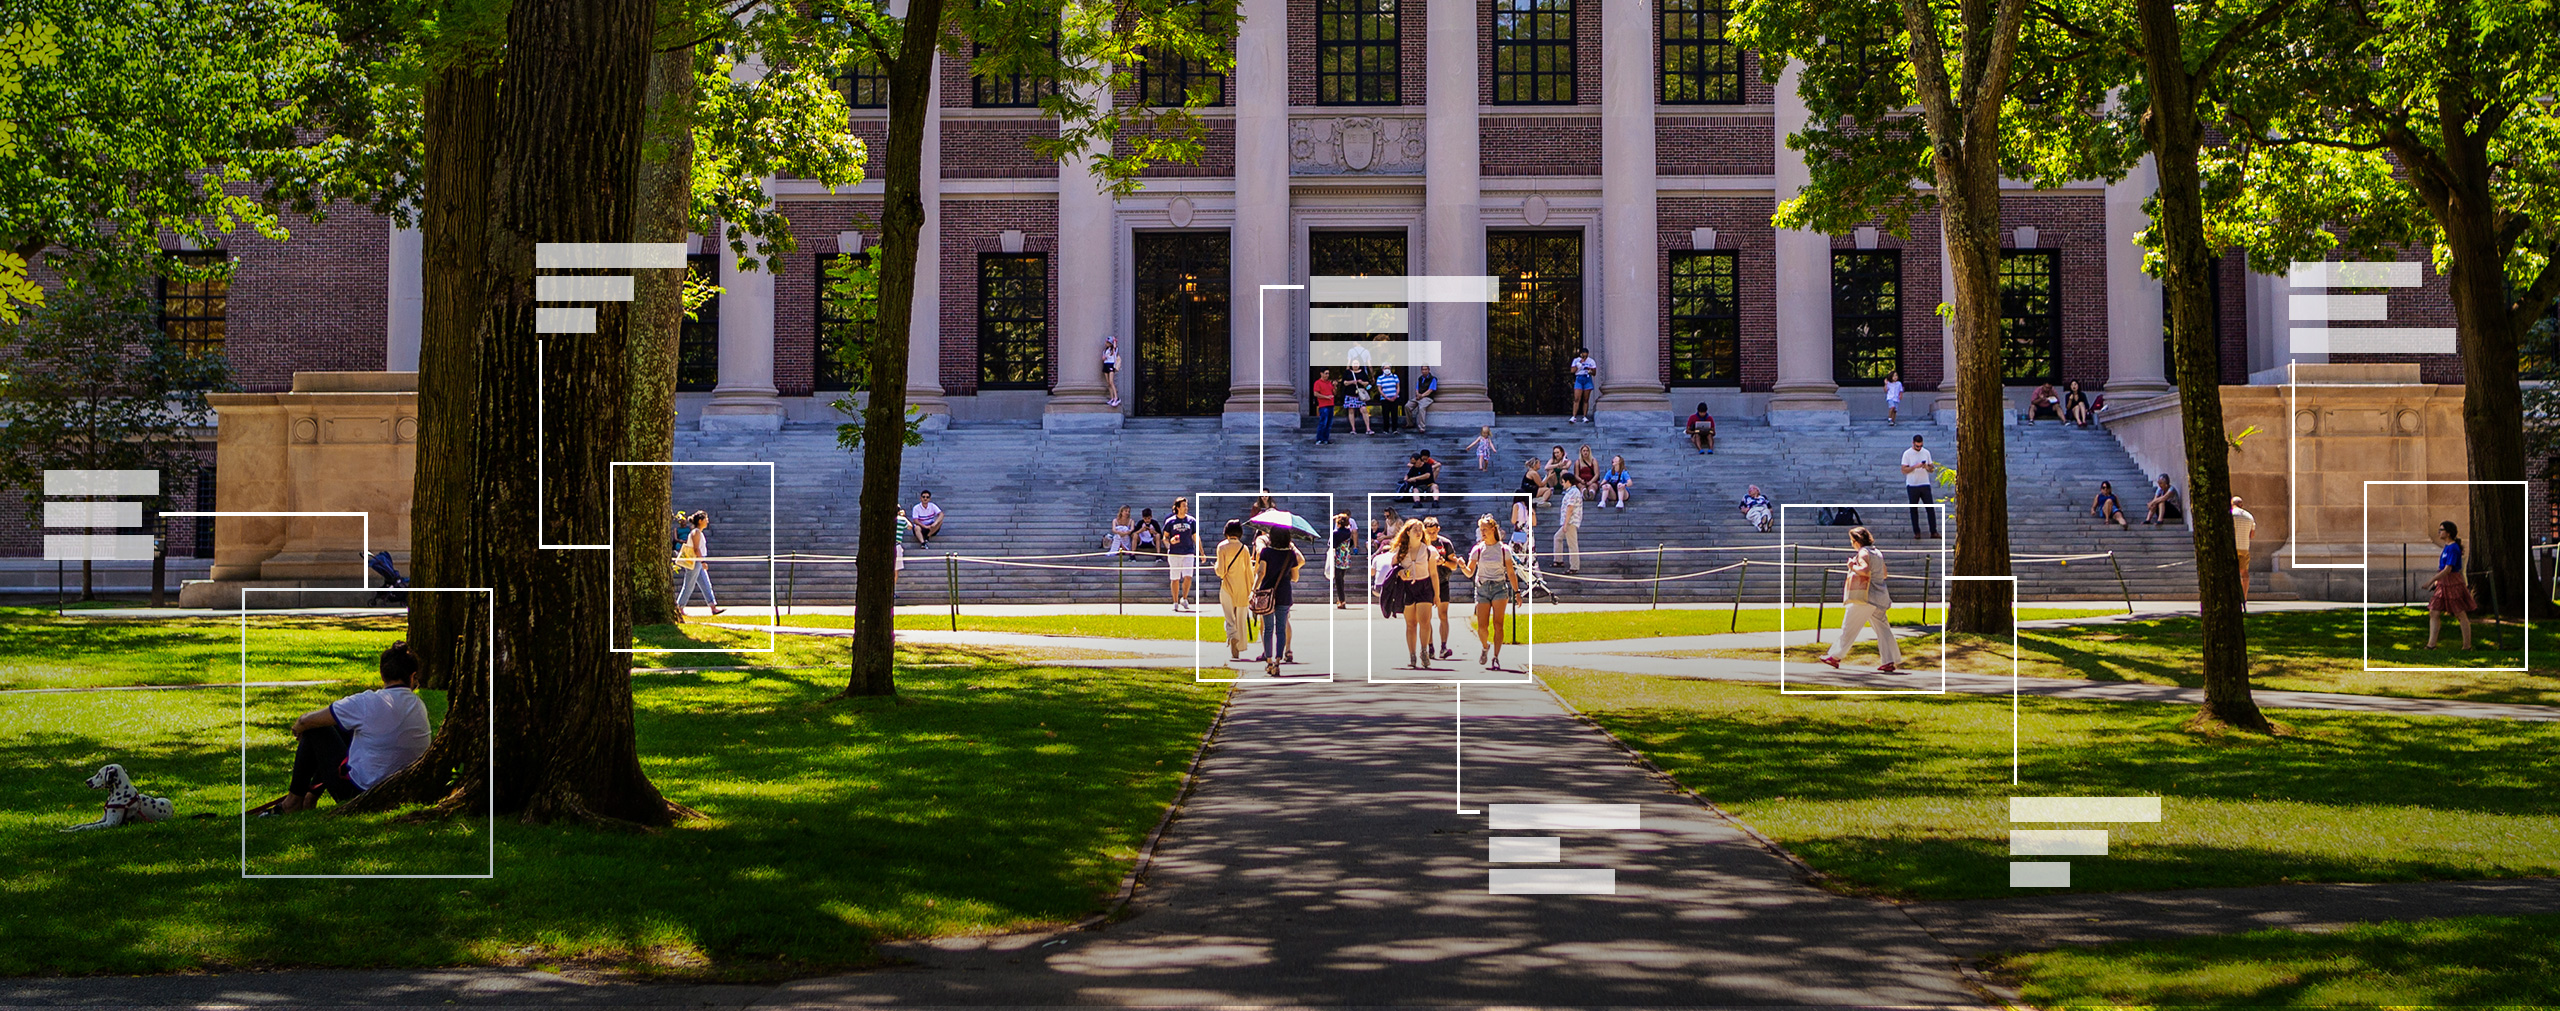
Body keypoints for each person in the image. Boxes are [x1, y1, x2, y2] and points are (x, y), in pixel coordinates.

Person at [254, 643, 431, 814]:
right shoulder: (418, 705)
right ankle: (310, 797)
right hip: (402, 788)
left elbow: (306, 721)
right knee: (342, 728)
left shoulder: (366, 702)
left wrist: (300, 729)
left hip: (361, 792)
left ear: (382, 674)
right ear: (412, 676)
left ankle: (292, 802)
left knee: (317, 730)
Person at [1821, 527, 1902, 673]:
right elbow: (1884, 574)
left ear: (1857, 541)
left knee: (1849, 627)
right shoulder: (1877, 552)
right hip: (1880, 597)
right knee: (1883, 630)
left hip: (1865, 597)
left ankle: (1835, 656)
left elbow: (1864, 570)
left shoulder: (1863, 552)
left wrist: (1852, 566)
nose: (1852, 544)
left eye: (1852, 541)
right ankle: (1889, 660)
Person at [1465, 515, 1522, 670]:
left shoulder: (1504, 550)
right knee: (1482, 627)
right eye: (1480, 529)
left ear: (1493, 530)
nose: (1482, 532)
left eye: (1485, 529)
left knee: (1498, 624)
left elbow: (1510, 572)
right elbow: (1470, 572)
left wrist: (1517, 592)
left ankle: (1496, 656)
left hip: (1499, 588)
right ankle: (1485, 647)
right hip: (1482, 588)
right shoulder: (1477, 549)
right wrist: (1462, 566)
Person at [1384, 520, 1441, 669]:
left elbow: (1434, 574)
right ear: (1407, 532)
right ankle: (1412, 655)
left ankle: (1424, 651)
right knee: (1410, 624)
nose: (1418, 532)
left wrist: (1437, 595)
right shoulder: (1401, 551)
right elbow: (1393, 567)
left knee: (1425, 621)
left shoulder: (1429, 551)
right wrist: (1400, 572)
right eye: (1414, 529)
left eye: (1420, 530)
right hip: (1407, 588)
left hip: (1425, 586)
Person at [1252, 529, 1304, 677]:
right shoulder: (1290, 554)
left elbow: (1261, 572)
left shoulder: (1266, 553)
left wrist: (1253, 590)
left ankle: (1268, 660)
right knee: (1280, 629)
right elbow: (1295, 578)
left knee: (1268, 629)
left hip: (1267, 593)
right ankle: (1277, 661)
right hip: (1284, 593)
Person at [2424, 519, 2476, 650]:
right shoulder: (2447, 547)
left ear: (2448, 533)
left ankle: (2467, 646)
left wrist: (2431, 580)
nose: (2439, 532)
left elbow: (2448, 569)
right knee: (2434, 612)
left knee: (2459, 613)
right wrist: (2437, 582)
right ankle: (2431, 645)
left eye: (2441, 530)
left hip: (2452, 582)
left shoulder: (2453, 548)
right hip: (2442, 583)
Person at [1212, 520, 1254, 660]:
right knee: (1241, 619)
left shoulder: (1222, 547)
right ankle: (1240, 645)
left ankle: (1233, 638)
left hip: (1228, 586)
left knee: (1229, 618)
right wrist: (1251, 589)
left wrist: (1215, 566)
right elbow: (1249, 571)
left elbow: (1221, 571)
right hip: (1242, 587)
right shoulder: (1244, 548)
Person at [675, 511, 724, 617]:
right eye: (706, 519)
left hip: (698, 561)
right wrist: (702, 561)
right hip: (695, 562)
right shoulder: (696, 532)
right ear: (700, 521)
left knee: (706, 584)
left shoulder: (698, 532)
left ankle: (713, 607)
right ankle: (679, 607)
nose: (707, 521)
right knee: (689, 585)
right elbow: (696, 549)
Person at [1425, 516, 1460, 661]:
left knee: (1443, 614)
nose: (1432, 535)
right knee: (1426, 617)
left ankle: (1444, 647)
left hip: (1443, 581)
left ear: (1438, 529)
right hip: (1426, 582)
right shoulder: (1422, 544)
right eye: (1429, 532)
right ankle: (1430, 647)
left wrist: (1443, 562)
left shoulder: (1445, 543)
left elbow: (1454, 565)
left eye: (1434, 532)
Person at [1164, 497, 1199, 613]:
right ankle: (1174, 602)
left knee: (1188, 576)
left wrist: (1201, 552)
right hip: (1174, 553)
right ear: (1178, 508)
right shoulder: (1170, 521)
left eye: (1186, 505)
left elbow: (1195, 537)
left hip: (1188, 551)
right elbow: (1165, 537)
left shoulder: (1191, 521)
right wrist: (1170, 542)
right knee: (1175, 578)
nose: (1186, 507)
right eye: (1183, 505)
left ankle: (1184, 598)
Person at [1900, 435, 1940, 538]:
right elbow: (1904, 470)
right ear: (1913, 443)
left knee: (1930, 508)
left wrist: (1926, 466)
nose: (1919, 448)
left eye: (1921, 446)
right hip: (1912, 485)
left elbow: (1932, 469)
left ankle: (1933, 531)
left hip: (1925, 484)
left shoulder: (1926, 452)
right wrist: (1914, 467)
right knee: (1914, 509)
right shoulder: (1907, 454)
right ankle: (1917, 532)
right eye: (1917, 446)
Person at [2231, 496, 2257, 605]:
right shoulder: (2249, 516)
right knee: (2244, 573)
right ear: (2242, 504)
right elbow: (2252, 535)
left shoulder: (2230, 515)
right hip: (2244, 547)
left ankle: (2232, 597)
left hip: (2232, 547)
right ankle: (2244, 597)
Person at [1556, 479, 1586, 574]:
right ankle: (1558, 560)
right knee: (1557, 537)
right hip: (1568, 521)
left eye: (1563, 482)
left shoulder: (1573, 492)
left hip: (1570, 522)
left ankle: (1574, 567)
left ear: (1568, 482)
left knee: (1572, 544)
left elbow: (1570, 508)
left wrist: (1565, 524)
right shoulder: (1571, 492)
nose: (1562, 484)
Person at [1330, 512, 1359, 609]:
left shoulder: (1336, 533)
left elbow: (1332, 544)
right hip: (1346, 557)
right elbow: (1350, 543)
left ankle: (1341, 600)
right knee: (1341, 578)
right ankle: (1341, 599)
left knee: (1338, 580)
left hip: (1337, 557)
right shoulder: (1348, 532)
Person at [1568, 347, 1598, 423]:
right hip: (1579, 378)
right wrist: (1579, 364)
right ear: (1581, 354)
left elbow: (1594, 373)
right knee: (1577, 398)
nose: (1585, 357)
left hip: (1587, 379)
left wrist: (1589, 370)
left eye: (1586, 356)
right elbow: (1572, 371)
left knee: (1586, 399)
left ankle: (1584, 416)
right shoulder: (1576, 360)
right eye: (1583, 355)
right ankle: (1574, 416)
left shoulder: (1591, 361)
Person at [1312, 369, 1338, 445]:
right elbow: (1316, 394)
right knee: (1323, 422)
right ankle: (1319, 438)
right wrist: (1326, 397)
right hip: (1323, 405)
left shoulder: (1329, 383)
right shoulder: (1318, 383)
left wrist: (1335, 386)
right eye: (1326, 373)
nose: (1327, 375)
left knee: (1329, 423)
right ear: (1321, 373)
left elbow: (1334, 393)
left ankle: (1325, 439)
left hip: (1331, 404)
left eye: (1328, 374)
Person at [1375, 366, 1404, 433]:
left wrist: (1395, 396)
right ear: (1382, 369)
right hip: (1384, 399)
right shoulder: (1380, 378)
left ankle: (1395, 429)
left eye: (1388, 368)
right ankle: (1386, 429)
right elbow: (1379, 389)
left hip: (1395, 399)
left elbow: (1398, 387)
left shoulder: (1395, 376)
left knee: (1394, 414)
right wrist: (1386, 397)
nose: (1387, 370)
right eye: (1385, 368)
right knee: (1385, 414)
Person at [1411, 366, 1439, 433]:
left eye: (1425, 369)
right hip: (1419, 397)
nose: (1424, 371)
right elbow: (1417, 388)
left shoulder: (1433, 379)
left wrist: (1421, 396)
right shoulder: (1420, 378)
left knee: (1421, 407)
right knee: (1408, 406)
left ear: (1429, 370)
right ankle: (1409, 423)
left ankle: (1422, 427)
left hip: (1428, 398)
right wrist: (1417, 394)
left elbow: (1430, 390)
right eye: (1423, 369)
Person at [1101, 336, 1121, 408]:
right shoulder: (1105, 350)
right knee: (1108, 383)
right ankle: (1112, 398)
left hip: (1111, 365)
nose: (1106, 343)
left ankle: (1116, 398)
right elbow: (1103, 358)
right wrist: (1103, 358)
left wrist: (1114, 341)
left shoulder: (1114, 349)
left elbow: (1115, 347)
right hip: (1106, 365)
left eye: (1108, 342)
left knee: (1111, 382)